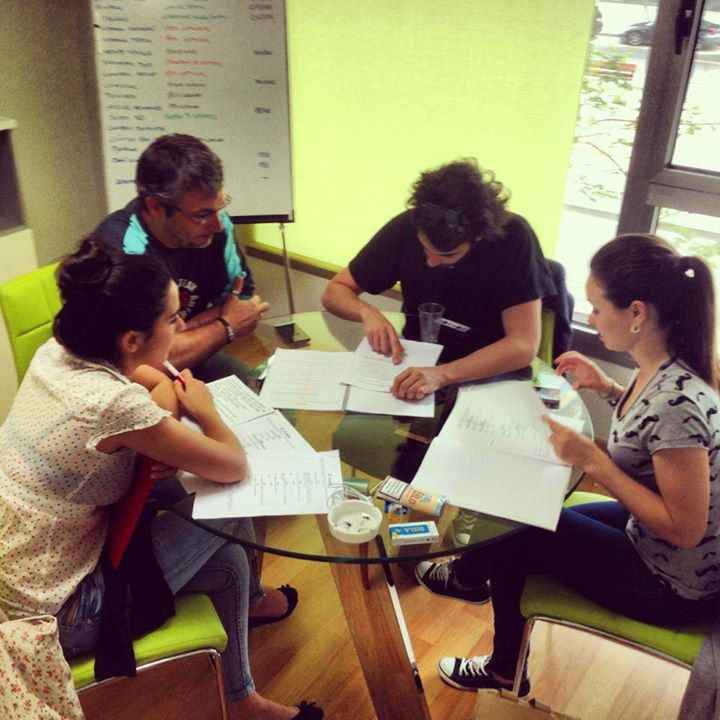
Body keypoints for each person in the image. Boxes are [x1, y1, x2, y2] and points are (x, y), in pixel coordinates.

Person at [0, 238, 321, 720]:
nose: (181, 327)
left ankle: (241, 698)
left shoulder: (59, 351)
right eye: (172, 319)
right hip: (58, 612)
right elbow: (232, 463)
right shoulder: (108, 403)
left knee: (231, 557)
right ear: (131, 339)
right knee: (231, 509)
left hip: (22, 568)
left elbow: (154, 381)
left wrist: (153, 440)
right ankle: (247, 645)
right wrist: (204, 412)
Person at [423, 233, 720, 697]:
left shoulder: (676, 402)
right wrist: (607, 389)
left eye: (598, 307)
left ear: (637, 313)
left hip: (672, 583)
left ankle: (502, 665)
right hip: (655, 540)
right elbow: (657, 439)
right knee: (526, 516)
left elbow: (685, 528)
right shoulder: (664, 366)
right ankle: (469, 577)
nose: (590, 317)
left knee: (514, 529)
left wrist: (594, 462)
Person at [321, 158, 556, 400]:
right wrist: (368, 313)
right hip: (418, 360)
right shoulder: (407, 225)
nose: (431, 262)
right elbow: (335, 291)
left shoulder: (513, 238)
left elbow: (523, 346)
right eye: (425, 250)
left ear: (477, 237)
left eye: (448, 255)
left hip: (489, 373)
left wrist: (442, 374)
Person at [95, 133, 270, 380]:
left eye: (220, 207)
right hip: (125, 381)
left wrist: (182, 336)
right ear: (155, 206)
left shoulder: (216, 227)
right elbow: (142, 362)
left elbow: (244, 303)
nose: (217, 225)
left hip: (190, 361)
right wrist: (225, 328)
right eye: (201, 215)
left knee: (263, 396)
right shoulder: (125, 252)